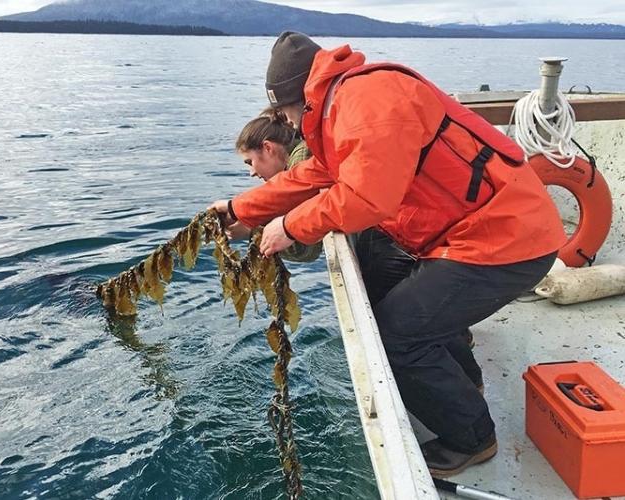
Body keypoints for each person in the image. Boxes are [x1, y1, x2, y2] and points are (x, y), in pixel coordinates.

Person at [211, 31, 566, 478]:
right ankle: (466, 384)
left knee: (399, 333)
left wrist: (289, 226)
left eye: (282, 108)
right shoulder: (342, 104)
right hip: (470, 233)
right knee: (421, 310)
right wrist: (236, 208)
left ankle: (473, 438)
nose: (284, 120)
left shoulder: (367, 98)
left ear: (299, 95)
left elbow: (366, 198)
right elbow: (311, 175)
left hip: (505, 239)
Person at [232, 108, 322, 263]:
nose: (251, 173)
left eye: (250, 162)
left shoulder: (302, 160)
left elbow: (307, 249)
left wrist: (251, 230)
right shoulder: (301, 156)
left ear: (268, 147)